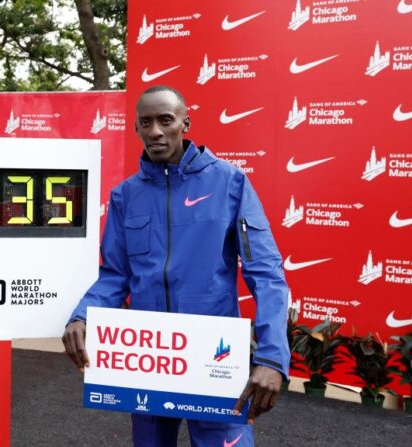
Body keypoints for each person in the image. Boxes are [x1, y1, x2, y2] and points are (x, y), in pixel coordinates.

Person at [63, 85, 290, 447]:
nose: (155, 131)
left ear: (185, 122)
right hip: (150, 361)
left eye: (165, 120)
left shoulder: (230, 183)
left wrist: (273, 358)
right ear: (136, 129)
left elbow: (267, 275)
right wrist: (82, 316)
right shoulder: (125, 196)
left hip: (216, 359)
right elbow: (115, 276)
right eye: (146, 122)